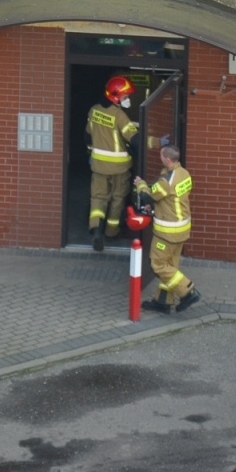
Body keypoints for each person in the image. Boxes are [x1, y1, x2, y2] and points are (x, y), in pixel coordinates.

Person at [134, 144, 197, 313]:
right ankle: (162, 302)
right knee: (170, 266)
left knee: (158, 265)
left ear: (167, 159)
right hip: (182, 230)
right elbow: (170, 199)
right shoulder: (184, 174)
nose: (160, 158)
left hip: (167, 233)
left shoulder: (166, 182)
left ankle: (187, 291)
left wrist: (140, 184)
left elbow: (147, 195)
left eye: (161, 156)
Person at [85, 76, 140, 251]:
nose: (127, 100)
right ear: (115, 97)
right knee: (117, 199)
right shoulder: (119, 115)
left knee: (98, 198)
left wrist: (91, 152)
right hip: (120, 167)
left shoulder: (94, 110)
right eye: (125, 97)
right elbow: (135, 139)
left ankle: (96, 230)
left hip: (98, 165)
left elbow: (87, 135)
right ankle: (111, 232)